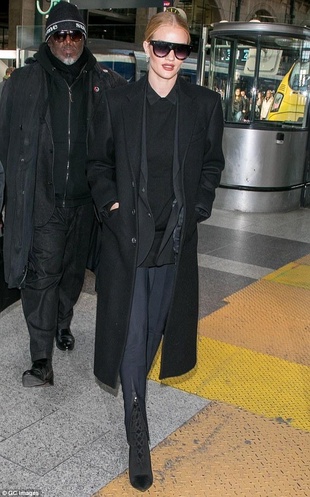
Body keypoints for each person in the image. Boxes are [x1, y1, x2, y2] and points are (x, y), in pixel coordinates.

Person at [87, 10, 225, 492]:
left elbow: (212, 164)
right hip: (128, 238)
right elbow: (97, 163)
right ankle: (137, 433)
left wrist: (200, 207)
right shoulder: (118, 101)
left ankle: (135, 391)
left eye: (180, 50)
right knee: (132, 327)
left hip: (174, 239)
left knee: (155, 330)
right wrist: (113, 204)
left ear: (188, 55)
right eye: (162, 48)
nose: (170, 58)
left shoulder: (205, 104)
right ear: (146, 49)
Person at [0, 1, 126, 387]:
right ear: (49, 38)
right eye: (59, 34)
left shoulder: (106, 84)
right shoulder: (22, 83)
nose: (67, 42)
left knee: (72, 276)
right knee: (42, 276)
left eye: (74, 34)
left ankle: (62, 321)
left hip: (86, 202)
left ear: (84, 38)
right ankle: (41, 358)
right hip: (42, 199)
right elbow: (1, 146)